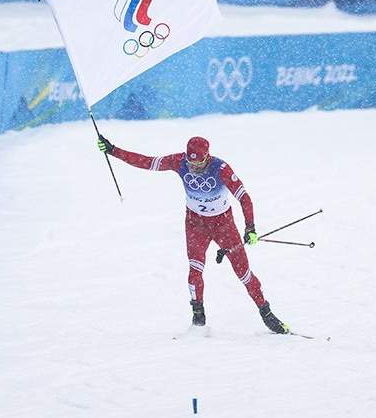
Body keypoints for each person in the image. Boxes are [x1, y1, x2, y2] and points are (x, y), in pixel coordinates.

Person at [96, 134, 290, 334]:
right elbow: (148, 162)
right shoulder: (179, 162)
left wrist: (250, 228)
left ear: (207, 157)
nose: (194, 169)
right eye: (190, 163)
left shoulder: (221, 169)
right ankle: (198, 319)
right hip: (195, 225)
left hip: (224, 225)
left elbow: (245, 198)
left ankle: (267, 314)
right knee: (195, 271)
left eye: (199, 164)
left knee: (243, 273)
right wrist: (113, 151)